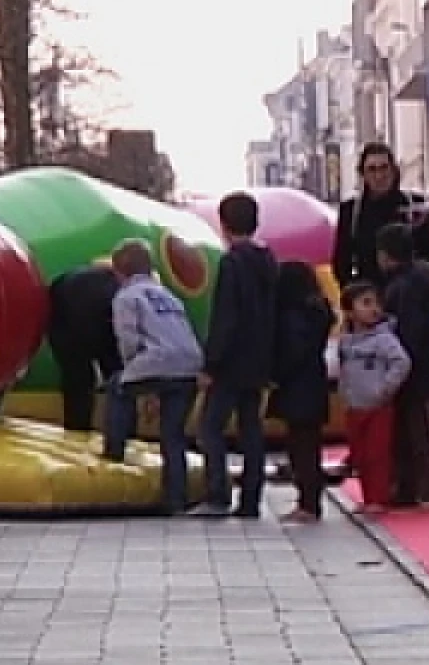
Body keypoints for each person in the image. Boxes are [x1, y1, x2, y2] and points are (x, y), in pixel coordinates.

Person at [194, 192, 279, 519]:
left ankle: (218, 494)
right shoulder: (268, 261)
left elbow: (226, 316)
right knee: (251, 429)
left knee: (210, 427)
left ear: (224, 224)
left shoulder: (232, 263)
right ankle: (251, 499)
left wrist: (210, 362)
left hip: (231, 362)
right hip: (259, 359)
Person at [102, 240, 202, 517]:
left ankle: (114, 452)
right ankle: (176, 500)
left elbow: (129, 341)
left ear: (119, 271)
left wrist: (133, 374)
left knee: (116, 387)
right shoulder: (167, 295)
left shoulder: (127, 297)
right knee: (173, 435)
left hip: (156, 361)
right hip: (189, 364)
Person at [376, 224, 429, 509]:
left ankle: (423, 487)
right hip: (422, 365)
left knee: (417, 433)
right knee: (416, 431)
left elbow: (409, 329)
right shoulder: (424, 279)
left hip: (412, 368)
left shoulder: (400, 287)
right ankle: (417, 487)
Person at [336, 282, 411, 515]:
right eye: (365, 303)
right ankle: (368, 496)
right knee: (360, 455)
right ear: (349, 311)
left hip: (378, 406)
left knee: (377, 453)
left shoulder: (384, 339)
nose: (373, 309)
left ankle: (378, 497)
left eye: (375, 303)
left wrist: (385, 388)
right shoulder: (346, 342)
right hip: (354, 405)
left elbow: (402, 362)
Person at [271, 261, 337, 523]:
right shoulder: (318, 312)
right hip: (313, 383)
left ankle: (308, 503)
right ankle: (309, 499)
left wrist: (276, 372)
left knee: (301, 447)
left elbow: (292, 352)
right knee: (309, 444)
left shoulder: (292, 317)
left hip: (297, 386)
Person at [333, 142, 429, 290]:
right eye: (372, 169)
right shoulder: (351, 211)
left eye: (384, 168)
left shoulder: (414, 204)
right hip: (371, 297)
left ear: (393, 170)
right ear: (363, 174)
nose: (379, 176)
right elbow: (341, 263)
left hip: (410, 296)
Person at [47, 264, 122, 432]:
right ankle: (118, 437)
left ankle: (77, 429)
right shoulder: (118, 285)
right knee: (118, 383)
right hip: (99, 324)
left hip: (67, 328)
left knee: (78, 384)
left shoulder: (67, 280)